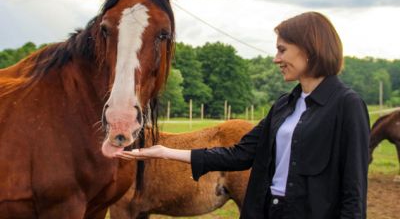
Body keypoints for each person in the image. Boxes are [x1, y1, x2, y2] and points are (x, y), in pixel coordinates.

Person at [117, 11, 370, 219]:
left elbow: (353, 191)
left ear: (308, 49)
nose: (276, 59)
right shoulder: (285, 105)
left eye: (282, 50)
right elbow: (238, 154)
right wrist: (164, 152)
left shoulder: (347, 105)